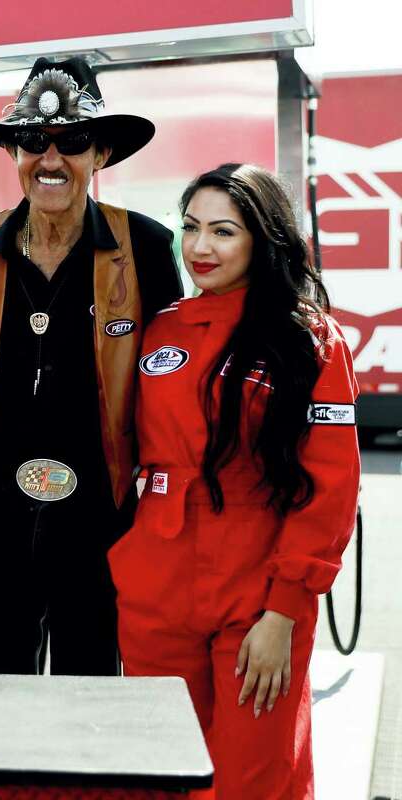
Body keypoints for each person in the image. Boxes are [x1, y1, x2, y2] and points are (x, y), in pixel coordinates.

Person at [109, 164, 359, 798]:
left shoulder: (309, 340)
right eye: (191, 228)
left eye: (223, 231)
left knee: (254, 776)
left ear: (263, 239)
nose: (200, 248)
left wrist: (285, 611)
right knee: (162, 775)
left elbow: (331, 485)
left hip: (257, 583)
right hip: (156, 579)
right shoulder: (159, 327)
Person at [0, 56, 184, 676]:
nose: (50, 159)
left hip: (101, 522)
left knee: (93, 708)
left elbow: (177, 376)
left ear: (100, 154)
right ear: (12, 153)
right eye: (32, 141)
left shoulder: (148, 248)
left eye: (72, 141)